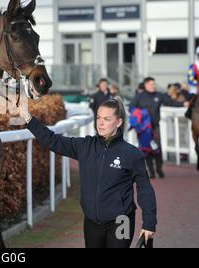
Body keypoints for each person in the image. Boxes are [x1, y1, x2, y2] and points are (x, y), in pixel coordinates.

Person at [13, 97, 157, 248]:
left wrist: (149, 223)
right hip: (91, 222)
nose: (100, 123)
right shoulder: (84, 146)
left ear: (119, 122)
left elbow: (145, 189)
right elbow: (52, 141)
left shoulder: (132, 154)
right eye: (98, 118)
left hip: (122, 221)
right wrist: (27, 117)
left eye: (107, 119)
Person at [130, 77, 188, 178]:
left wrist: (183, 103)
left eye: (154, 84)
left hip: (155, 127)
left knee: (157, 148)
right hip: (144, 129)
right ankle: (151, 171)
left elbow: (171, 102)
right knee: (146, 149)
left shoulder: (159, 95)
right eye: (152, 84)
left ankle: (159, 169)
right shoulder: (139, 97)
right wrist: (140, 115)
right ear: (146, 85)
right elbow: (131, 108)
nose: (154, 86)